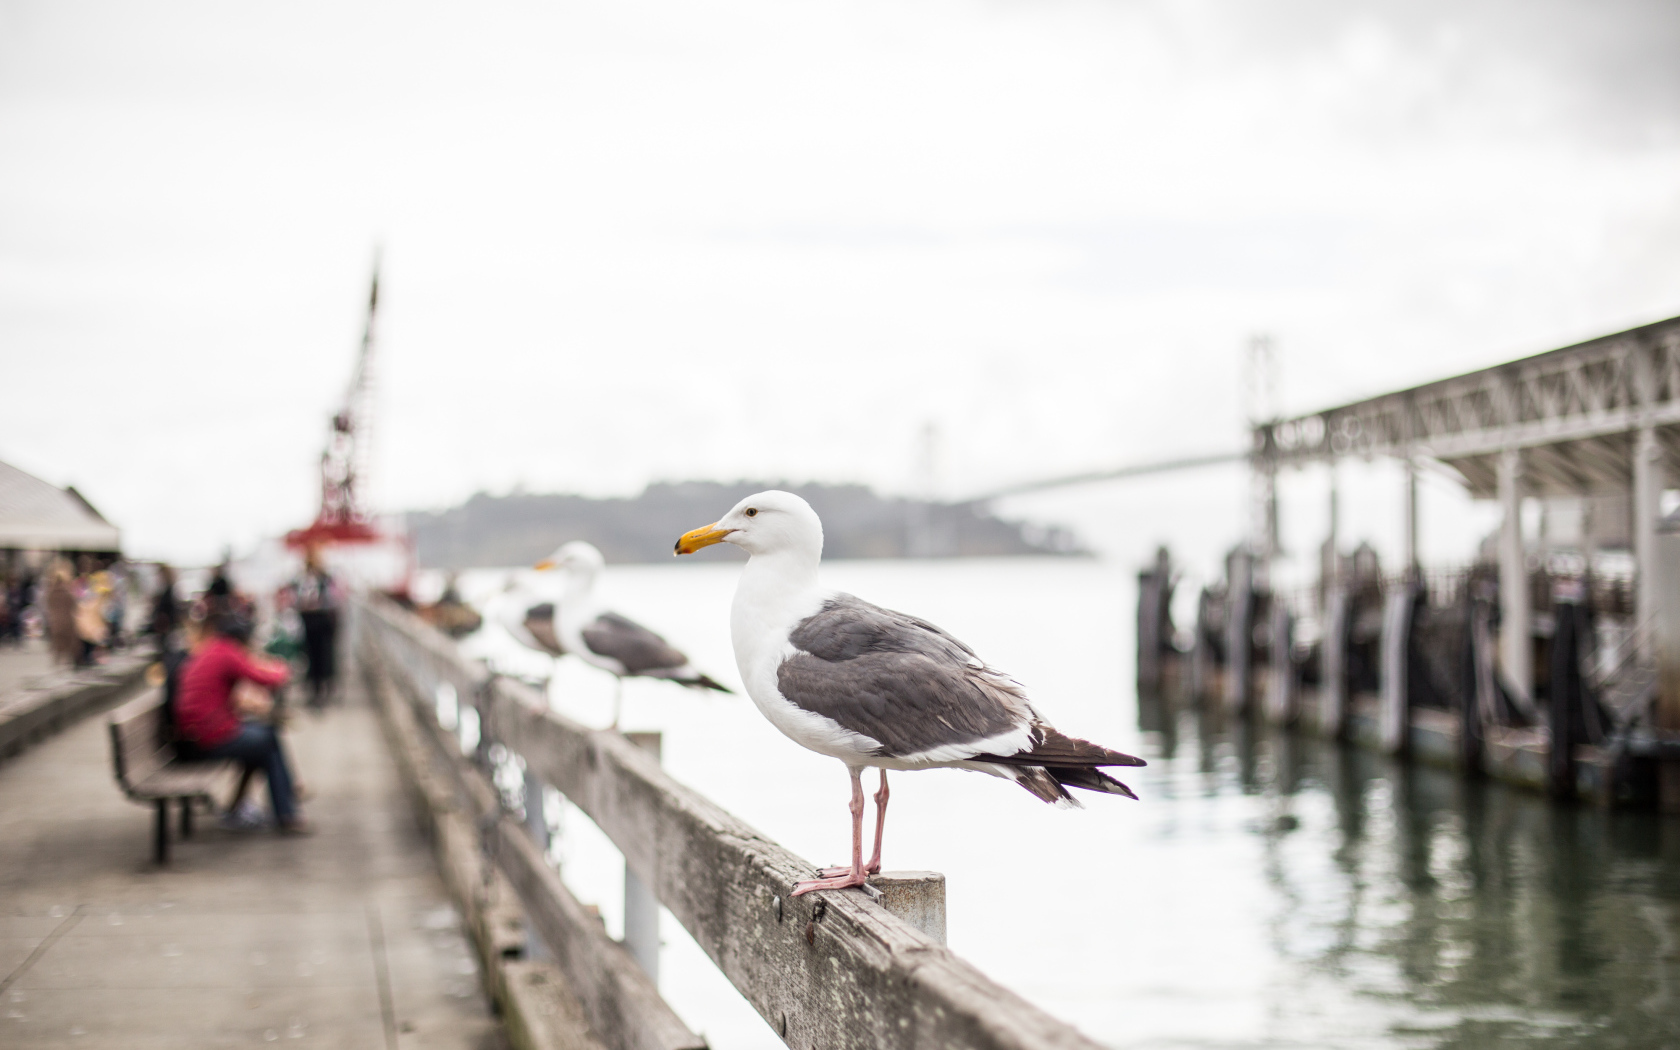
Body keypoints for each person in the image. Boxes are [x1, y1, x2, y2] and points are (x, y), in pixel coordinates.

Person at [173, 611, 309, 834]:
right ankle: (286, 809)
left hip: (196, 732)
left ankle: (275, 807)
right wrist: (283, 668)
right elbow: (263, 678)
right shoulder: (227, 652)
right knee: (268, 739)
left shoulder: (212, 649)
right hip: (207, 737)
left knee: (264, 740)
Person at [291, 549, 340, 709]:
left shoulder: (323, 580)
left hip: (320, 621)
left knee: (322, 655)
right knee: (312, 655)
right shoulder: (304, 580)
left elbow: (332, 600)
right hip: (310, 621)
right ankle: (316, 687)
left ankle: (321, 687)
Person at [44, 563, 79, 666]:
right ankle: (70, 663)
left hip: (55, 621)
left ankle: (57, 662)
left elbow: (48, 605)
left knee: (57, 644)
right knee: (70, 644)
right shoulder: (67, 592)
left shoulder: (50, 592)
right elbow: (74, 604)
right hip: (68, 621)